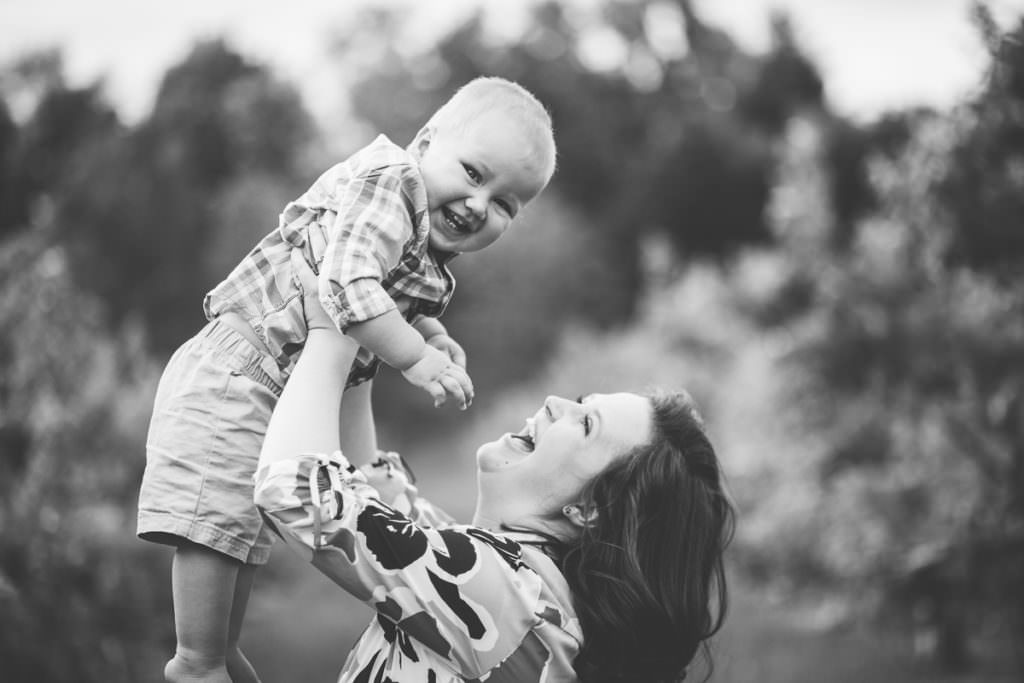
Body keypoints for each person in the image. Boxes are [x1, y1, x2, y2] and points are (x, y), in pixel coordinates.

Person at [137, 76, 558, 683]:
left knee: (230, 611)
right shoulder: (392, 184)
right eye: (473, 173)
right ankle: (193, 665)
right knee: (207, 603)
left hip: (267, 389)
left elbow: (381, 304)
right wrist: (416, 357)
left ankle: (209, 661)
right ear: (425, 142)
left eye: (504, 205)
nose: (477, 204)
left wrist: (431, 335)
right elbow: (347, 288)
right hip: (236, 376)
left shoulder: (423, 244)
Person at [252, 268, 735, 683]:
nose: (555, 403)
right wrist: (371, 334)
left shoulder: (509, 596)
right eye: (580, 402)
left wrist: (332, 327)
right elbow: (368, 487)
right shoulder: (523, 589)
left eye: (586, 424)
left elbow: (296, 491)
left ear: (591, 509)